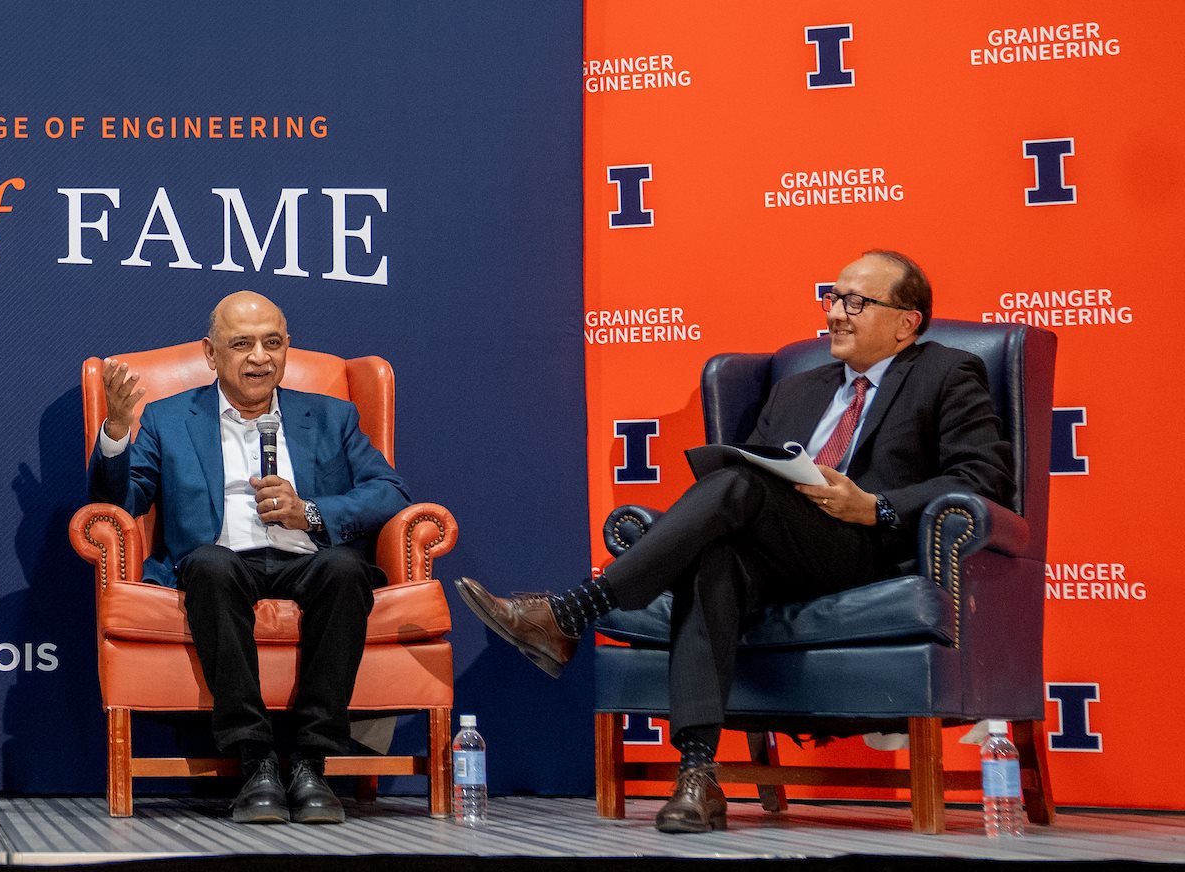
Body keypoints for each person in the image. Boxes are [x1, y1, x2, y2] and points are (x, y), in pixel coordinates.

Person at [457, 250, 1012, 834]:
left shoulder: (947, 373)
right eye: (832, 299)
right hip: (781, 551)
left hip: (865, 551)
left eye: (856, 302)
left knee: (736, 484)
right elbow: (756, 482)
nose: (836, 315)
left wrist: (873, 506)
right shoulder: (797, 387)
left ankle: (573, 611)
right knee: (713, 555)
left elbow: (980, 478)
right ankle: (698, 776)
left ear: (907, 321)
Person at [89, 291, 412, 825]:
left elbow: (391, 491)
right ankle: (256, 759)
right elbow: (119, 504)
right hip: (223, 564)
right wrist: (119, 432)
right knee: (210, 565)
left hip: (307, 559)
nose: (259, 357)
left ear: (287, 349)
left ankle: (311, 761)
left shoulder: (332, 416)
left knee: (346, 569)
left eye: (272, 343)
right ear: (211, 354)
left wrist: (309, 512)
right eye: (242, 344)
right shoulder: (169, 418)